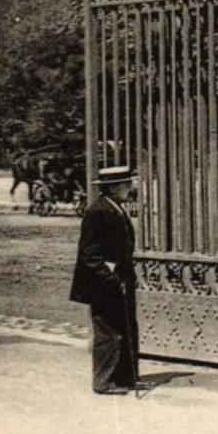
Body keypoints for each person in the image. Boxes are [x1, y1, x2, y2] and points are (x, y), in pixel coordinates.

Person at [69, 166, 140, 394]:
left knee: (124, 327)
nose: (130, 189)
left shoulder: (114, 207)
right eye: (126, 185)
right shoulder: (98, 211)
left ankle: (125, 378)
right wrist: (111, 279)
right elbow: (89, 255)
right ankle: (103, 381)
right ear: (112, 188)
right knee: (107, 332)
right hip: (102, 283)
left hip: (118, 279)